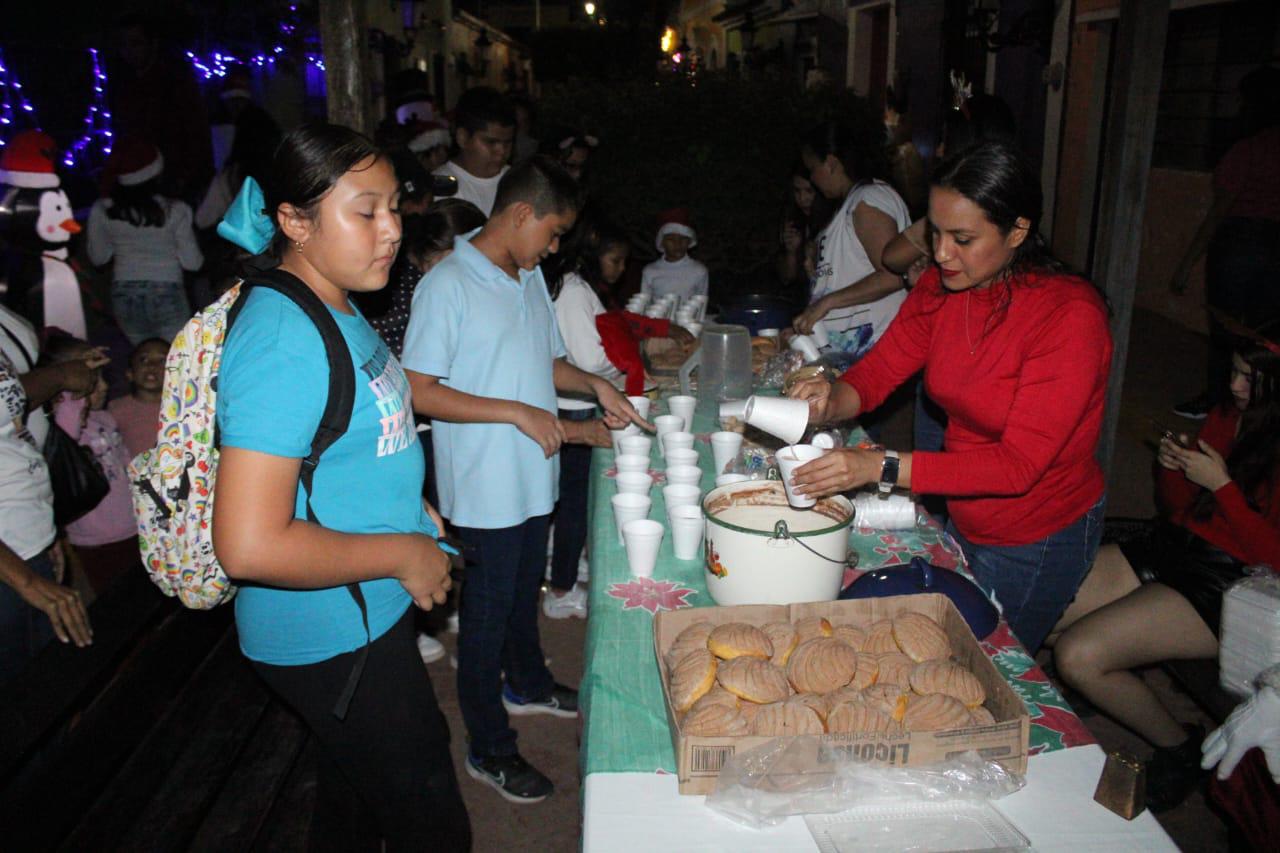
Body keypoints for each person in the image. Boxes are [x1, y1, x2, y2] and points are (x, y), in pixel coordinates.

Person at [209, 123, 471, 850]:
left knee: (355, 808)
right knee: (434, 824)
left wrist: (406, 503)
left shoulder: (336, 297)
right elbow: (248, 543)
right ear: (293, 221)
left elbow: (349, 435)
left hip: (362, 613)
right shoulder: (281, 338)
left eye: (395, 206)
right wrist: (400, 552)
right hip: (331, 633)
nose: (390, 230)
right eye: (366, 211)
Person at [787, 141, 1112, 655]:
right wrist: (828, 399)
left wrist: (878, 468)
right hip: (968, 508)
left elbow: (1017, 467)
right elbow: (875, 376)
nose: (940, 254)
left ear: (1018, 230)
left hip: (1039, 529)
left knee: (979, 663)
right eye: (935, 233)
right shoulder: (941, 289)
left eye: (962, 238)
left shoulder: (1069, 317)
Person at [401, 156, 646, 804]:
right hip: (483, 488)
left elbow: (543, 359)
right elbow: (420, 391)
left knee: (518, 597)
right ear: (521, 214)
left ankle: (529, 681)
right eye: (555, 231)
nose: (557, 245)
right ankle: (489, 747)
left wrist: (590, 382)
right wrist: (513, 409)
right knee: (481, 619)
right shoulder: (448, 285)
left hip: (531, 476)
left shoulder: (528, 273)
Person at [1051, 327, 1280, 812]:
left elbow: (1270, 555)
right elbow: (1180, 511)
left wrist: (1221, 487)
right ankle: (1118, 682)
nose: (1237, 387)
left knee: (1078, 656)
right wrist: (1173, 469)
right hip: (1180, 545)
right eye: (1236, 372)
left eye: (1251, 379)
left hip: (1235, 583)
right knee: (1047, 606)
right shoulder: (1228, 415)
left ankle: (1181, 748)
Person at [545, 213, 688, 619]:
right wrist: (625, 367)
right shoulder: (573, 290)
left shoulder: (584, 287)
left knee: (580, 497)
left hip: (580, 399)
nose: (622, 270)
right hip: (573, 405)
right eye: (616, 260)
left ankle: (569, 565)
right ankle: (560, 588)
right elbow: (588, 358)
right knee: (574, 501)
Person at [1171, 66, 1280, 420]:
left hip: (1241, 243)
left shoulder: (1248, 149)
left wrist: (1186, 264)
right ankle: (1260, 404)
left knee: (1225, 330)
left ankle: (1218, 402)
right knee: (1264, 334)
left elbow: (1220, 210)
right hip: (1275, 247)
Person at [0, 304, 101, 685]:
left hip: (27, 540)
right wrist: (25, 580)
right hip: (9, 565)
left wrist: (46, 529)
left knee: (45, 691)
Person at [791, 120, 911, 359]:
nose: (812, 178)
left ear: (832, 163)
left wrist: (825, 304)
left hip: (876, 355)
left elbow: (892, 276)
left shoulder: (868, 199)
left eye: (813, 168)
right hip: (847, 355)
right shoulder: (848, 204)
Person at [86, 138, 204, 346]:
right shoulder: (176, 210)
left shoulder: (102, 209)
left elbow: (98, 257)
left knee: (143, 360)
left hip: (124, 292)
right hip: (167, 288)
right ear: (156, 171)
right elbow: (193, 263)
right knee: (177, 360)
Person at [46, 334, 139, 593]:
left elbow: (126, 466)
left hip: (133, 526)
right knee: (115, 600)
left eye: (102, 378)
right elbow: (68, 422)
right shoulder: (64, 426)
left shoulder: (105, 419)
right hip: (97, 539)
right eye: (94, 380)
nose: (104, 387)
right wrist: (73, 381)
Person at [432, 87, 515, 217]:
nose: (502, 151)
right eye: (491, 142)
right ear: (463, 138)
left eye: (508, 143)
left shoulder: (518, 181)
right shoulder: (441, 187)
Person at [108, 337, 167, 458]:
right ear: (129, 373)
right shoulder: (116, 409)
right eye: (143, 359)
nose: (152, 366)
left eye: (162, 361)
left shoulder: (184, 410)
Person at [640, 207, 709, 303]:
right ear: (662, 242)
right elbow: (644, 304)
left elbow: (701, 303)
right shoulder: (650, 271)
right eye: (671, 240)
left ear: (689, 241)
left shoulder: (699, 270)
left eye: (683, 239)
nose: (678, 244)